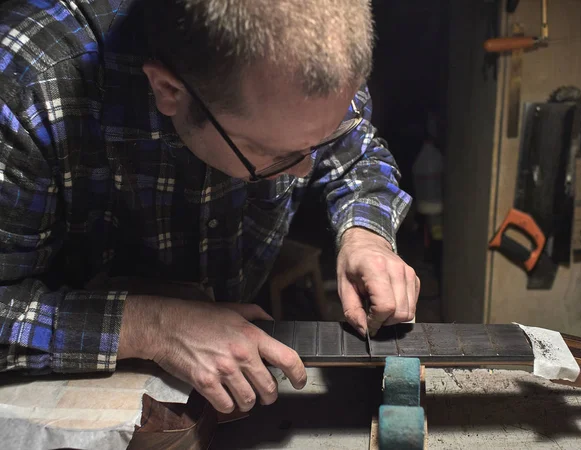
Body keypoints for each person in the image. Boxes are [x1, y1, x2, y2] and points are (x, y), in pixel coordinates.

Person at [0, 0, 419, 414]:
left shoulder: (316, 52)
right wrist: (152, 327)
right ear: (169, 91)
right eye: (275, 154)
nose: (304, 169)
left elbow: (355, 153)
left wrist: (366, 236)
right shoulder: (27, 83)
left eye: (319, 139)